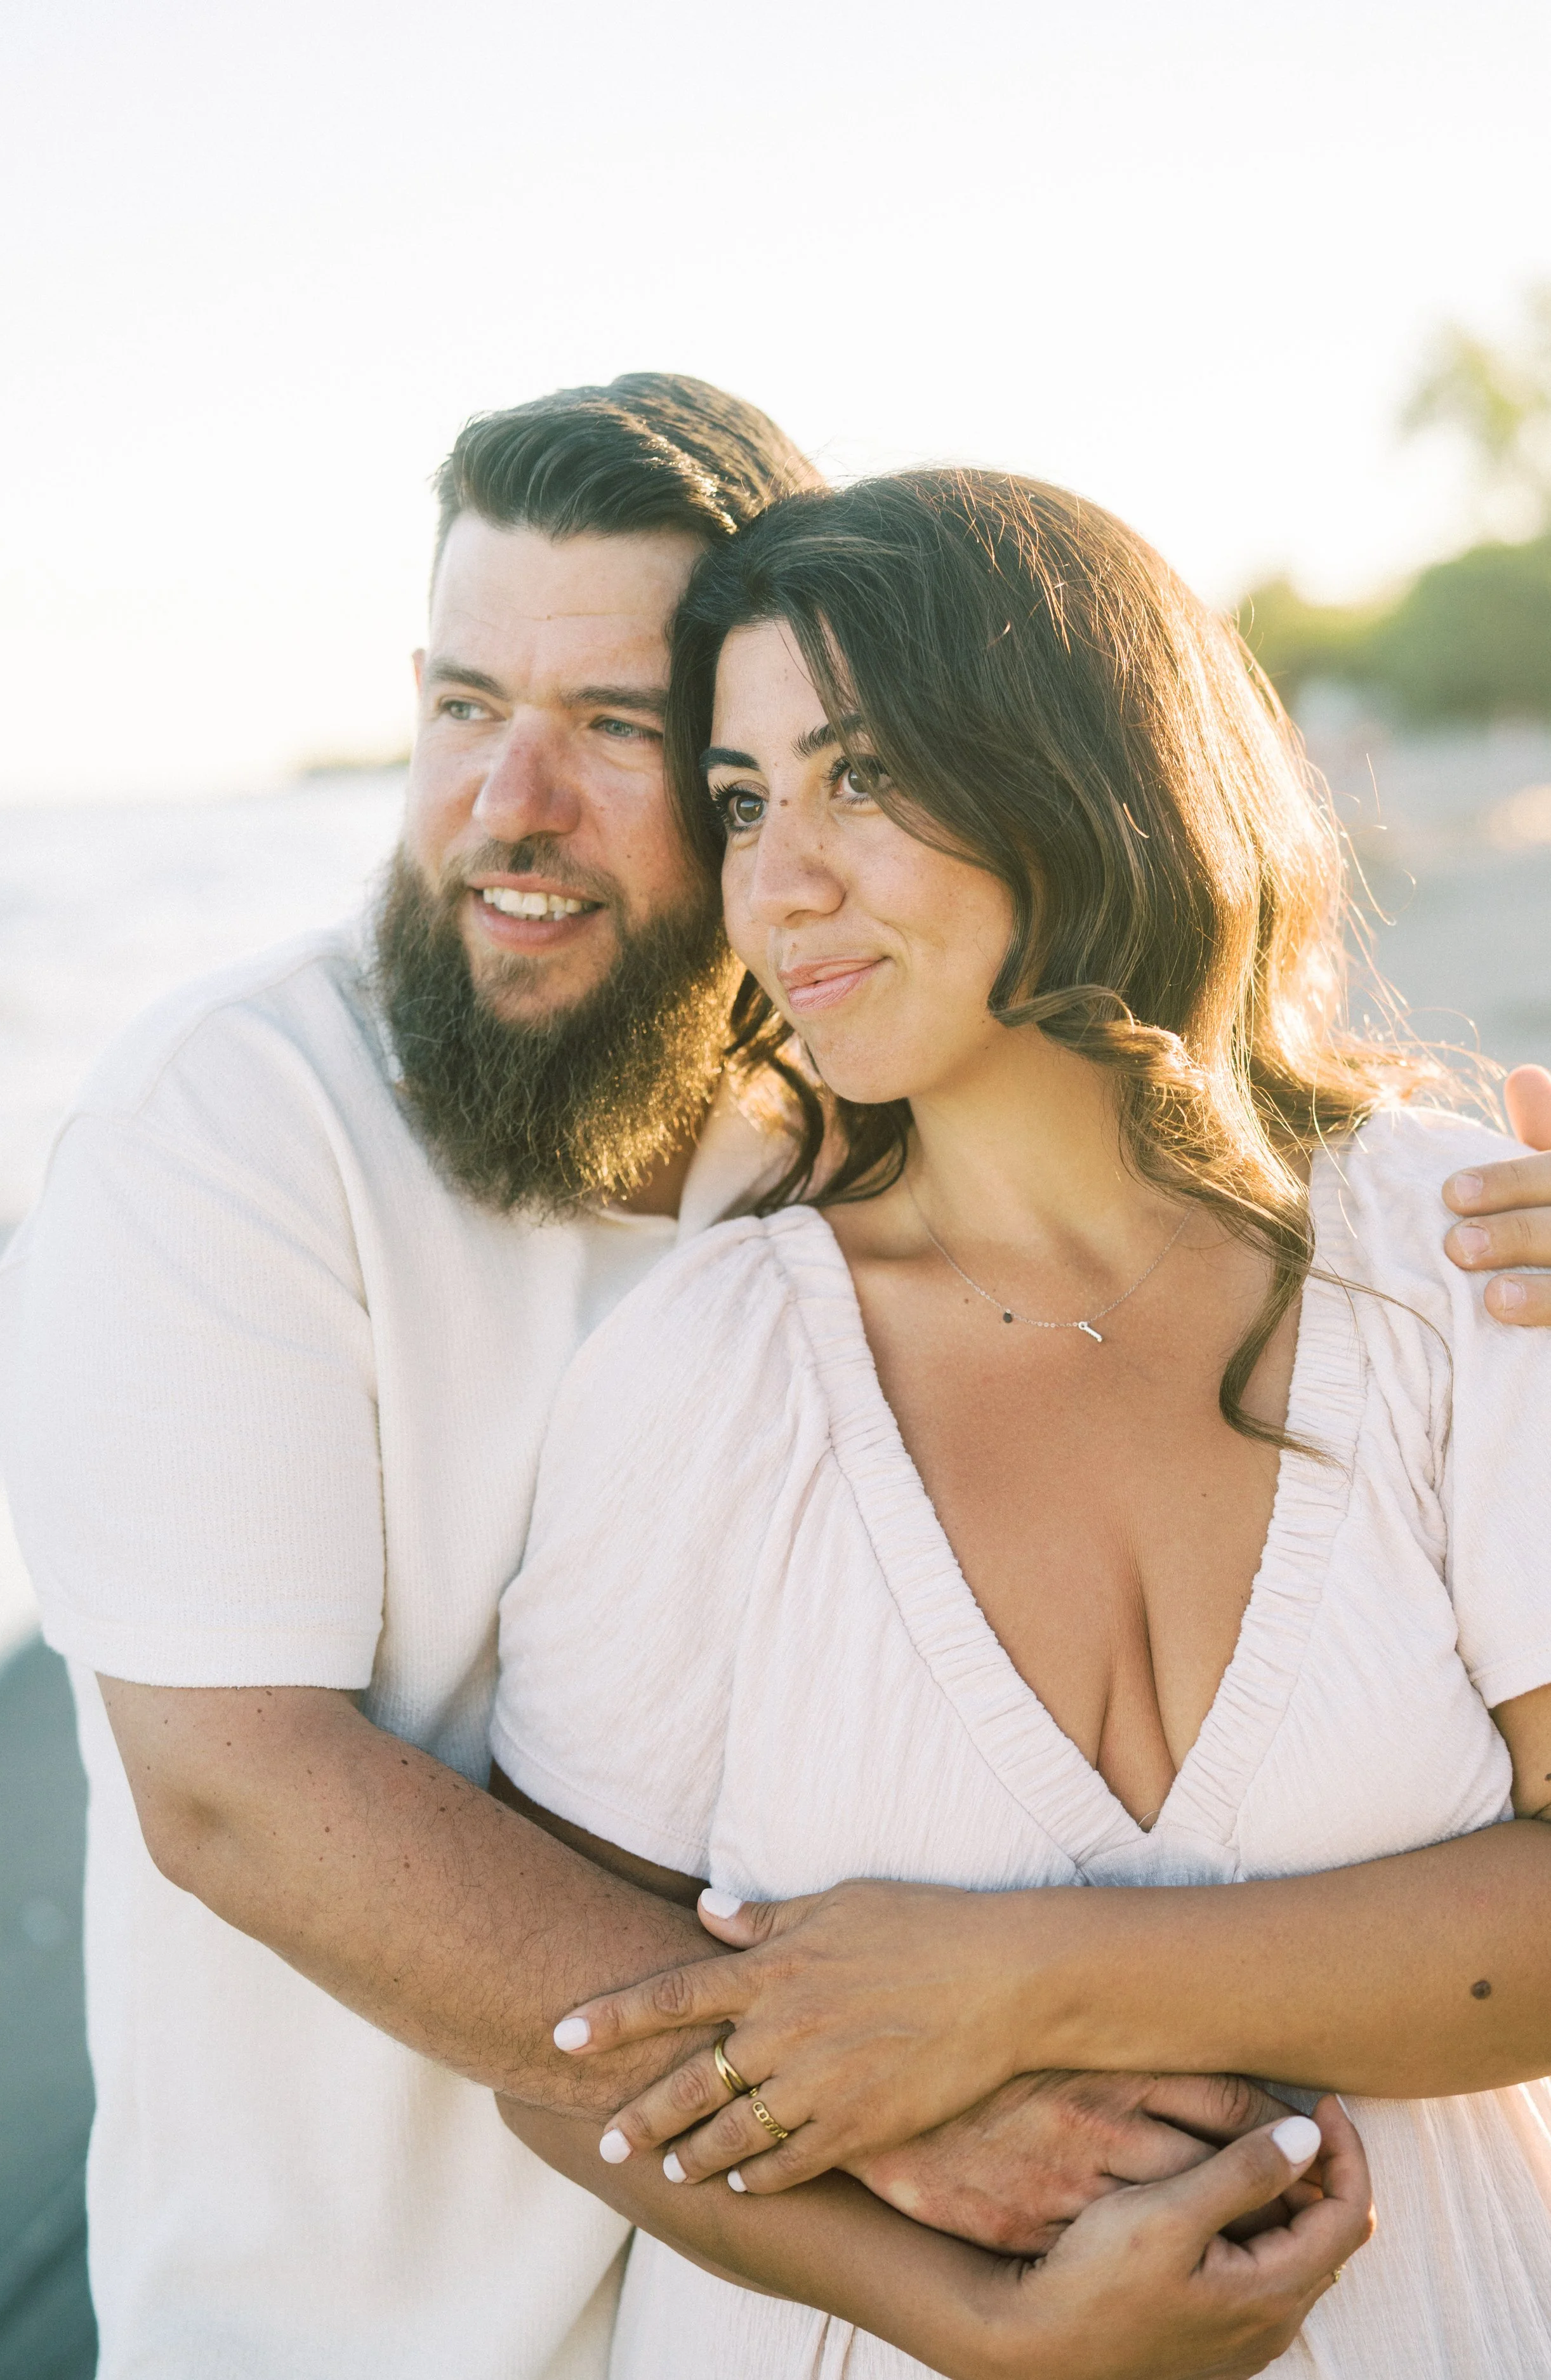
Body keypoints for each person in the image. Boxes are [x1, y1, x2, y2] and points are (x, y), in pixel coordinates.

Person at [0, 378, 1380, 2380]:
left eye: (617, 731)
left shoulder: (845, 1101)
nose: (507, 801)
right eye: (463, 707)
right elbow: (237, 1788)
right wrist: (907, 2098)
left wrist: (1480, 1185)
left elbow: (1194, 1125)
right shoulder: (238, 1117)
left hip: (752, 2328)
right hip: (351, 2334)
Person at [489, 468, 1551, 2377]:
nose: (779, 880)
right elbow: (569, 2053)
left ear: (1080, 765)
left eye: (862, 774)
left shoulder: (1459, 1254)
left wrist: (999, 1985)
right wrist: (979, 2323)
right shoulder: (705, 1373)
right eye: (740, 803)